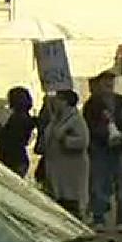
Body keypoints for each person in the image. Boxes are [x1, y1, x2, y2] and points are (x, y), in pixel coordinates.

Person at [82, 71, 122, 234]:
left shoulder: (121, 102)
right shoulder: (92, 104)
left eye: (111, 82)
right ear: (99, 84)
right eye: (105, 82)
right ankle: (99, 217)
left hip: (119, 149)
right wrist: (102, 136)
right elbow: (88, 127)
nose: (109, 85)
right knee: (98, 184)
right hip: (100, 149)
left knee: (121, 185)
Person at [35, 88, 89, 218]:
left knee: (70, 202)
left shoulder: (75, 120)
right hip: (55, 168)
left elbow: (83, 141)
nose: (55, 102)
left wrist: (65, 140)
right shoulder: (55, 119)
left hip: (71, 170)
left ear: (65, 102)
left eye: (58, 99)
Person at [0, 86, 37, 177]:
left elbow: (6, 138)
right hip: (16, 157)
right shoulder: (22, 117)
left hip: (14, 158)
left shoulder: (19, 119)